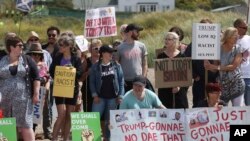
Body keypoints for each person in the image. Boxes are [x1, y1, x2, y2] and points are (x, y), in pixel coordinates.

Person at [0, 36, 40, 141]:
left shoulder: (27, 59)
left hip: (23, 99)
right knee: (7, 125)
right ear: (11, 47)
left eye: (23, 45)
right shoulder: (1, 59)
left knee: (26, 125)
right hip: (5, 100)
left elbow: (36, 77)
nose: (23, 47)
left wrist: (36, 94)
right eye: (20, 45)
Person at [50, 33, 83, 140]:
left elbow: (79, 73)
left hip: (72, 90)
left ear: (69, 46)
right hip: (60, 88)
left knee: (69, 115)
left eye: (62, 45)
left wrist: (71, 69)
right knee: (62, 114)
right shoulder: (57, 57)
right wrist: (61, 69)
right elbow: (51, 72)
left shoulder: (76, 58)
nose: (60, 47)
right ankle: (54, 138)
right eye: (59, 45)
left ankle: (66, 138)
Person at [89, 45, 124, 141]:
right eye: (109, 52)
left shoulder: (117, 65)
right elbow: (91, 82)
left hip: (113, 98)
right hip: (99, 98)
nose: (112, 54)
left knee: (110, 122)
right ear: (103, 53)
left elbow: (121, 81)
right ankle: (92, 139)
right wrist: (94, 95)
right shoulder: (95, 66)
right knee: (94, 119)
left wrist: (120, 95)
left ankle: (107, 138)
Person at [204, 27, 245, 106]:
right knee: (221, 109)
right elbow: (214, 69)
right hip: (223, 86)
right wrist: (208, 66)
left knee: (238, 111)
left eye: (237, 36)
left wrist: (215, 67)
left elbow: (233, 66)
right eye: (235, 36)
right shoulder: (218, 49)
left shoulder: (238, 49)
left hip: (237, 84)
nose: (237, 37)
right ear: (228, 37)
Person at [186, 18, 219, 107]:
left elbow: (222, 61)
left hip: (213, 81)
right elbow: (186, 61)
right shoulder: (193, 45)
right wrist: (194, 75)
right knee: (198, 104)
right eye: (203, 27)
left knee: (213, 104)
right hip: (199, 81)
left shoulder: (217, 43)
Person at [157, 32, 189, 109]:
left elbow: (186, 76)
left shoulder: (182, 56)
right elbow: (159, 75)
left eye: (169, 39)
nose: (166, 41)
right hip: (164, 91)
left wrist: (179, 86)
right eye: (165, 39)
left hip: (179, 91)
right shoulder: (160, 56)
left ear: (175, 41)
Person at [116, 23, 148, 93]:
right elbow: (116, 66)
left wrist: (143, 78)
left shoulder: (142, 46)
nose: (138, 34)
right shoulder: (119, 48)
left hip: (139, 81)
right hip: (125, 82)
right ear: (130, 32)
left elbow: (145, 64)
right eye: (137, 32)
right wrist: (120, 80)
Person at [81, 39, 102, 112]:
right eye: (96, 48)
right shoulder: (86, 61)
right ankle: (90, 124)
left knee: (100, 114)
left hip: (101, 91)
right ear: (90, 50)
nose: (98, 50)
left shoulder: (104, 61)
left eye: (99, 48)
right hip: (88, 92)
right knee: (89, 112)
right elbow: (80, 79)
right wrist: (87, 73)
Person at [233, 18, 250, 106]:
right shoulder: (230, 40)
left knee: (248, 104)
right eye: (244, 27)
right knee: (237, 106)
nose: (246, 29)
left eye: (246, 27)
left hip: (248, 77)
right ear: (236, 27)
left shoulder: (249, 38)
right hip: (234, 77)